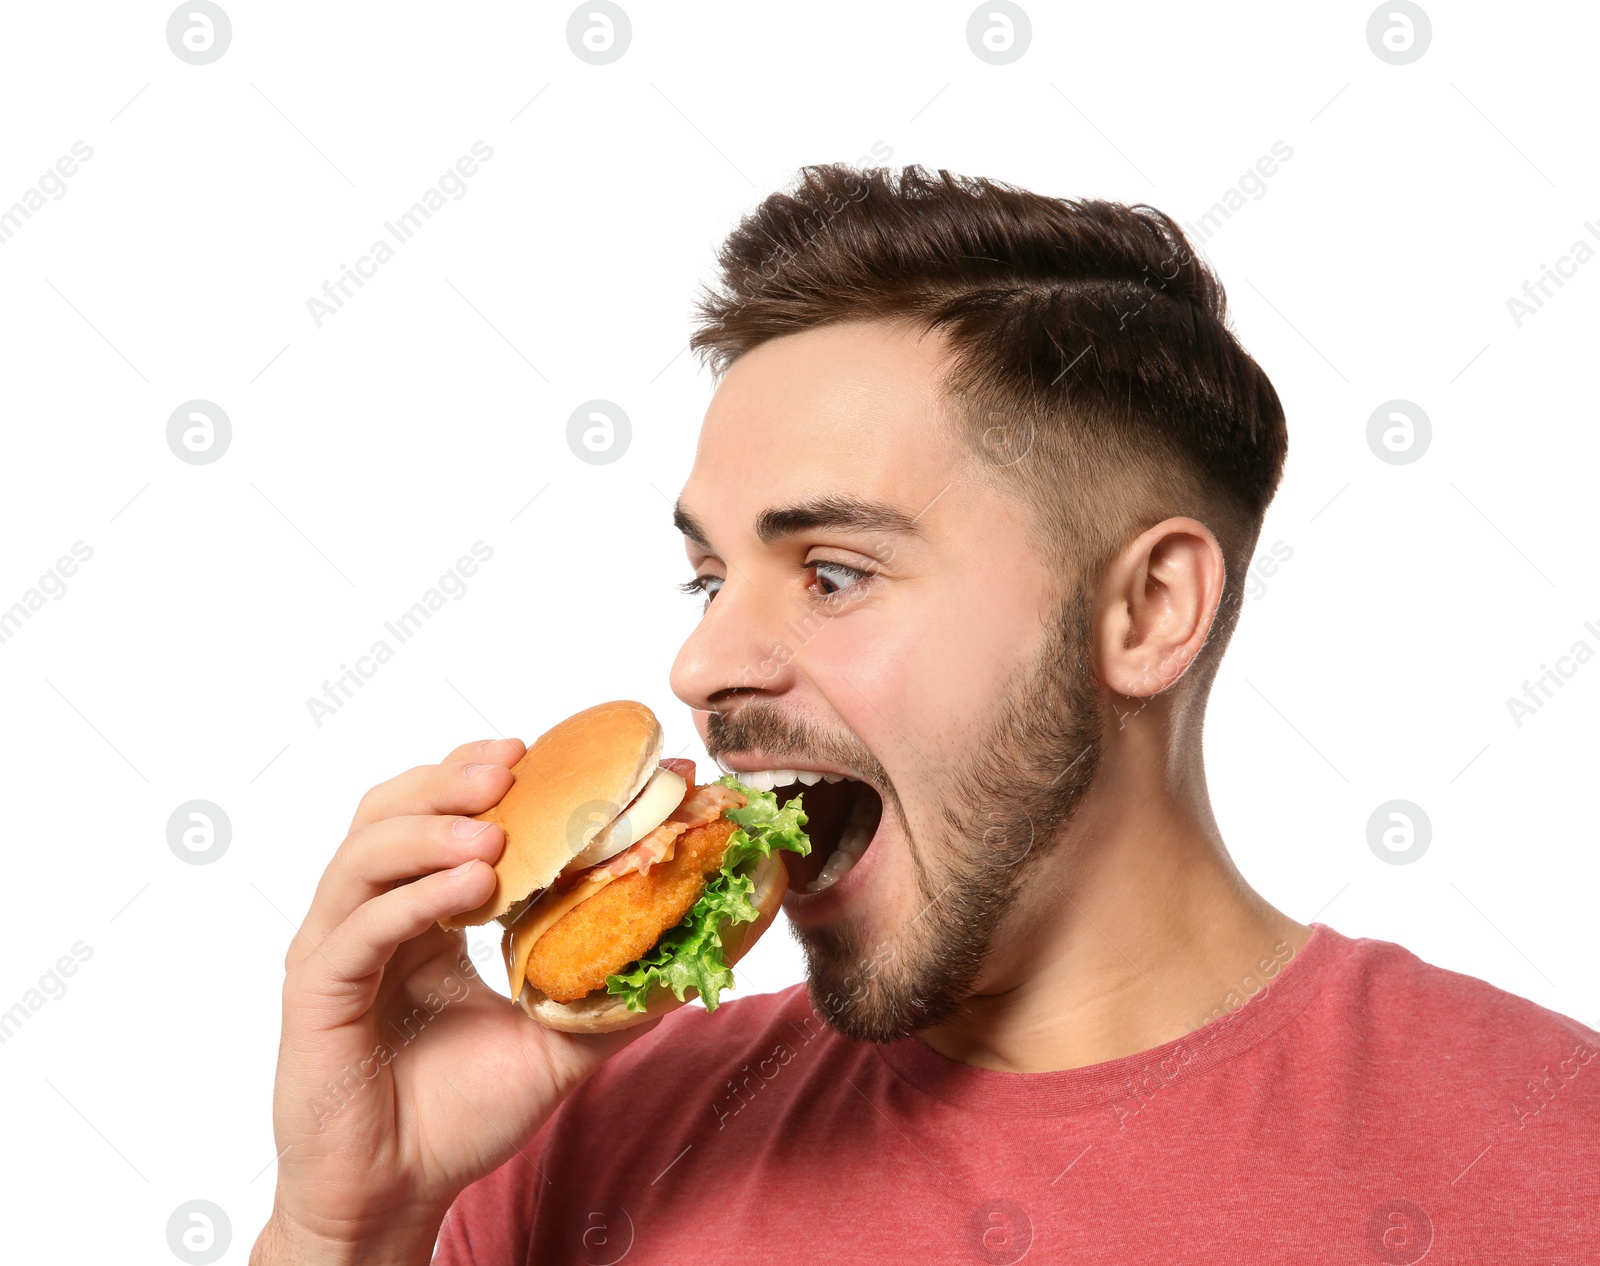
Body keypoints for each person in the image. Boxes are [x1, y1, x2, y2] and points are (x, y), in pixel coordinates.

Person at [250, 166, 1599, 1265]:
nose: (701, 662)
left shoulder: (1553, 1151)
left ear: (1145, 611)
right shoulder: (576, 1143)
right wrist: (345, 1225)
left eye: (832, 571)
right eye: (710, 575)